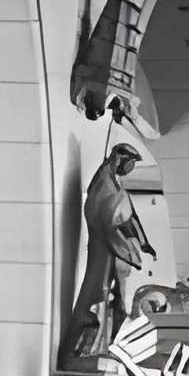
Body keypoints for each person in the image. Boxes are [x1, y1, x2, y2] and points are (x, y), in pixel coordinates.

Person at [62, 143, 155, 362]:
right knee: (100, 295)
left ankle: (99, 347)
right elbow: (104, 218)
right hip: (105, 251)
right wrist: (125, 246)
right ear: (120, 159)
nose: (131, 167)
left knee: (115, 301)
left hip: (112, 251)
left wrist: (142, 243)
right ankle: (86, 348)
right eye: (130, 162)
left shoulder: (113, 183)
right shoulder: (104, 184)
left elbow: (128, 217)